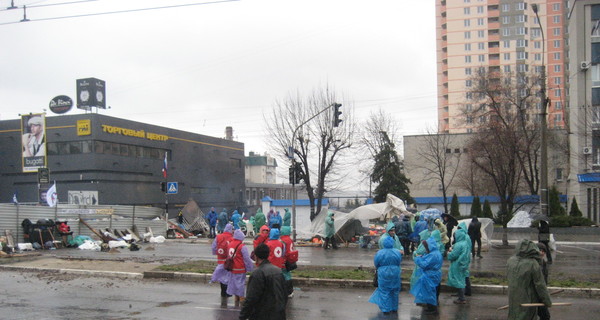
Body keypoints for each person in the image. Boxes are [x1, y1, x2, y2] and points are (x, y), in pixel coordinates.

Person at [239, 243, 287, 320]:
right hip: (279, 314)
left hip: (262, 314)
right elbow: (284, 293)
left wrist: (242, 316)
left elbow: (251, 298)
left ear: (256, 256)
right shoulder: (278, 271)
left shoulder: (258, 273)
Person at [507, 239, 552, 320]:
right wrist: (547, 301)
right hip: (528, 300)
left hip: (513, 300)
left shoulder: (510, 261)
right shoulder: (532, 264)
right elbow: (540, 285)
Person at [369, 236, 402, 315]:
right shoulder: (397, 252)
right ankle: (394, 308)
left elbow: (376, 263)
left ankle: (386, 309)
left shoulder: (380, 252)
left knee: (384, 291)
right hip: (395, 272)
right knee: (395, 291)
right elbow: (399, 261)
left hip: (383, 272)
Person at [410, 235, 443, 315]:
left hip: (430, 275)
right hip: (435, 274)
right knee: (432, 291)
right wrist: (423, 257)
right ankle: (431, 308)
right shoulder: (436, 253)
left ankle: (432, 309)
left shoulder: (433, 255)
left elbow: (425, 264)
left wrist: (417, 259)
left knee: (429, 292)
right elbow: (428, 260)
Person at [226, 229, 255, 307]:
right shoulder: (242, 246)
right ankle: (242, 298)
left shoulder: (230, 244)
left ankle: (236, 297)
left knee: (234, 282)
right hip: (240, 268)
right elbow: (246, 258)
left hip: (232, 267)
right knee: (240, 283)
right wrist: (250, 267)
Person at [447, 226, 471, 304]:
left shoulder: (459, 244)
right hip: (463, 263)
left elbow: (453, 255)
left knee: (459, 281)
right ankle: (461, 296)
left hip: (457, 264)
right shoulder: (465, 243)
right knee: (462, 280)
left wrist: (449, 253)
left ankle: (461, 298)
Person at [211, 223, 234, 305]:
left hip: (220, 260)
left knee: (221, 277)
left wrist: (215, 253)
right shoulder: (232, 238)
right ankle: (227, 292)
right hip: (229, 261)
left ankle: (223, 292)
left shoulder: (218, 237)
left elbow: (213, 247)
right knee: (228, 277)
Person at [280, 226, 298, 297]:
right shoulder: (290, 240)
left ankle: (287, 291)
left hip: (285, 260)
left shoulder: (283, 240)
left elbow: (283, 251)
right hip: (290, 260)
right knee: (288, 275)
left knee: (284, 275)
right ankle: (290, 291)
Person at [536, 242, 551, 320]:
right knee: (545, 316)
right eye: (540, 250)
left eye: (543, 251)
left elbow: (544, 281)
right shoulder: (533, 264)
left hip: (541, 295)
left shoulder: (544, 264)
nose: (541, 253)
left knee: (545, 316)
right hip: (535, 296)